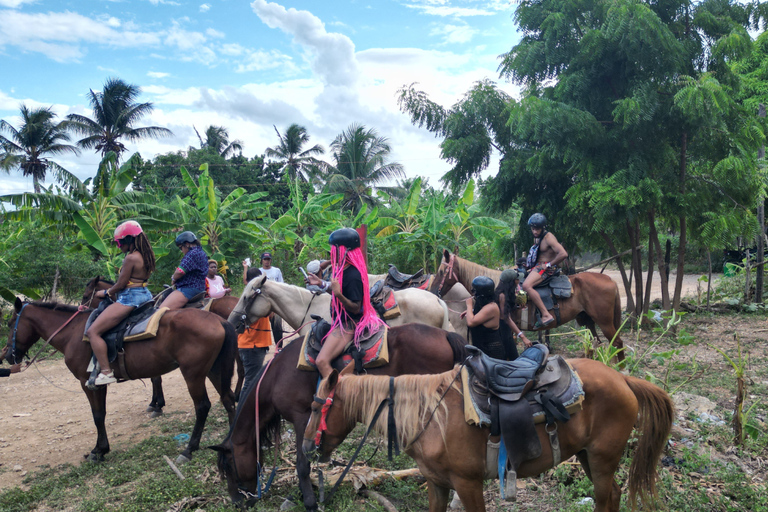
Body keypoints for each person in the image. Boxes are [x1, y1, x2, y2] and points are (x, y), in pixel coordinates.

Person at [305, 227, 384, 378]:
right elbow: (335, 290)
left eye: (333, 250)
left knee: (321, 361)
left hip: (349, 324)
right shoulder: (342, 270)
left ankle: (339, 394)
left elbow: (355, 308)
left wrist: (339, 295)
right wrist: (320, 283)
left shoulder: (353, 275)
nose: (331, 253)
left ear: (342, 251)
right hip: (340, 321)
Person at [86, 220, 156, 386]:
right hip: (145, 295)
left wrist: (106, 292)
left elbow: (120, 285)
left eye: (119, 242)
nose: (119, 247)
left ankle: (106, 371)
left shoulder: (130, 258)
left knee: (93, 332)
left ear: (128, 240)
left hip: (130, 298)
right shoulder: (146, 255)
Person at [522, 213, 568, 329]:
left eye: (537, 228)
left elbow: (563, 254)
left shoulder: (549, 238)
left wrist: (548, 265)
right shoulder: (537, 237)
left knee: (527, 286)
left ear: (543, 227)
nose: (535, 231)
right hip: (537, 267)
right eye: (533, 229)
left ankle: (546, 314)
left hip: (547, 269)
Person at [237, 267, 273, 394]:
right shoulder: (254, 299)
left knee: (252, 381)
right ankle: (242, 411)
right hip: (252, 345)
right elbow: (269, 314)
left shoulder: (252, 296)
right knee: (251, 383)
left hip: (254, 344)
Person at [161, 231, 209, 310]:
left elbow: (180, 272)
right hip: (200, 287)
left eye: (181, 248)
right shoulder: (201, 252)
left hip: (188, 288)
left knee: (161, 310)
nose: (182, 250)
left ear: (187, 244)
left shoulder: (192, 253)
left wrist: (174, 279)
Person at [462, 276, 506, 360]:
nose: (473, 294)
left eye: (474, 291)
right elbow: (481, 314)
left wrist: (469, 305)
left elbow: (471, 322)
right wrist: (471, 311)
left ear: (480, 294)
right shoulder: (485, 304)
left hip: (491, 353)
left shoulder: (491, 307)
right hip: (482, 350)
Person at [244, 254, 283, 342]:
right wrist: (245, 267)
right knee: (262, 324)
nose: (267, 261)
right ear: (261, 260)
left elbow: (281, 284)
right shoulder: (259, 271)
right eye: (265, 259)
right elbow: (248, 282)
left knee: (277, 325)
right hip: (262, 300)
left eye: (268, 259)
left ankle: (279, 345)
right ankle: (263, 343)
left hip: (275, 299)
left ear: (271, 260)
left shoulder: (276, 270)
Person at [495, 269, 532, 360]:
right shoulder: (502, 296)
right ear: (511, 282)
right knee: (513, 359)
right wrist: (522, 337)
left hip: (505, 331)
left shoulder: (504, 293)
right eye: (517, 279)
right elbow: (506, 318)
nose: (518, 281)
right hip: (502, 332)